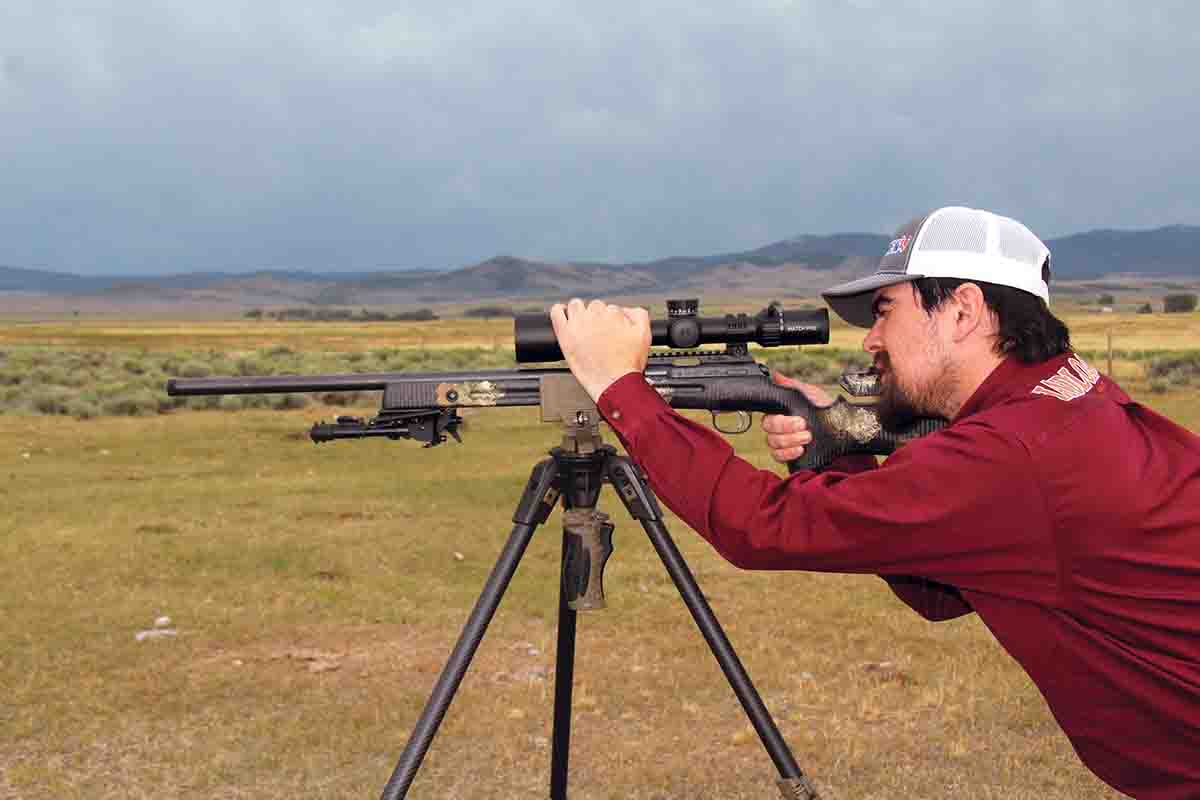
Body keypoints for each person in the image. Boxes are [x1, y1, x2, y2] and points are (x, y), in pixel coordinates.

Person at [548, 206, 1200, 799]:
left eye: (886, 310)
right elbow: (939, 593)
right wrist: (844, 444)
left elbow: (760, 529)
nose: (870, 340)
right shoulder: (1067, 400)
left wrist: (621, 389)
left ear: (964, 311)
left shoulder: (1009, 456)